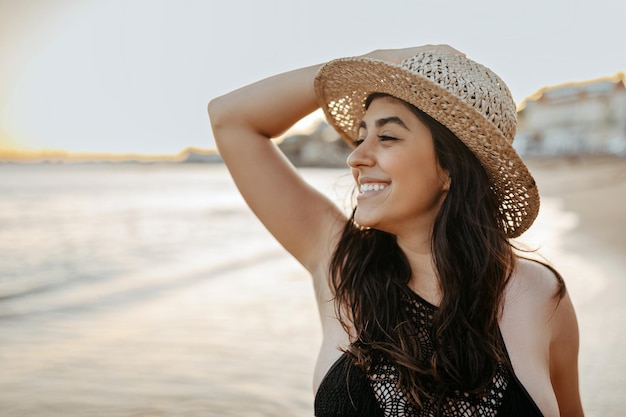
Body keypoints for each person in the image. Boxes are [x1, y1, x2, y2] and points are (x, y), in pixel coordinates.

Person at [207, 45, 584, 417]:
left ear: (451, 168)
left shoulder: (540, 295)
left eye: (386, 137)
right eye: (360, 136)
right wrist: (377, 59)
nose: (356, 157)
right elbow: (230, 118)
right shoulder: (341, 265)